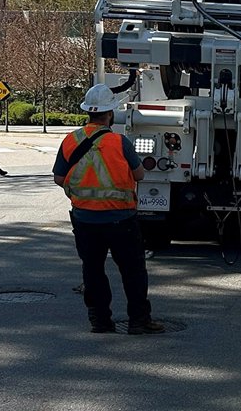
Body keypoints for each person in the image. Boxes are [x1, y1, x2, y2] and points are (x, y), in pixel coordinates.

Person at [53, 83, 163, 335]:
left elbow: (59, 178)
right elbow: (139, 175)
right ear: (110, 113)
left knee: (92, 271)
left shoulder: (71, 140)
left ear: (88, 112)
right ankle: (139, 321)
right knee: (133, 272)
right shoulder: (118, 142)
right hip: (121, 219)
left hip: (84, 220)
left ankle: (100, 321)